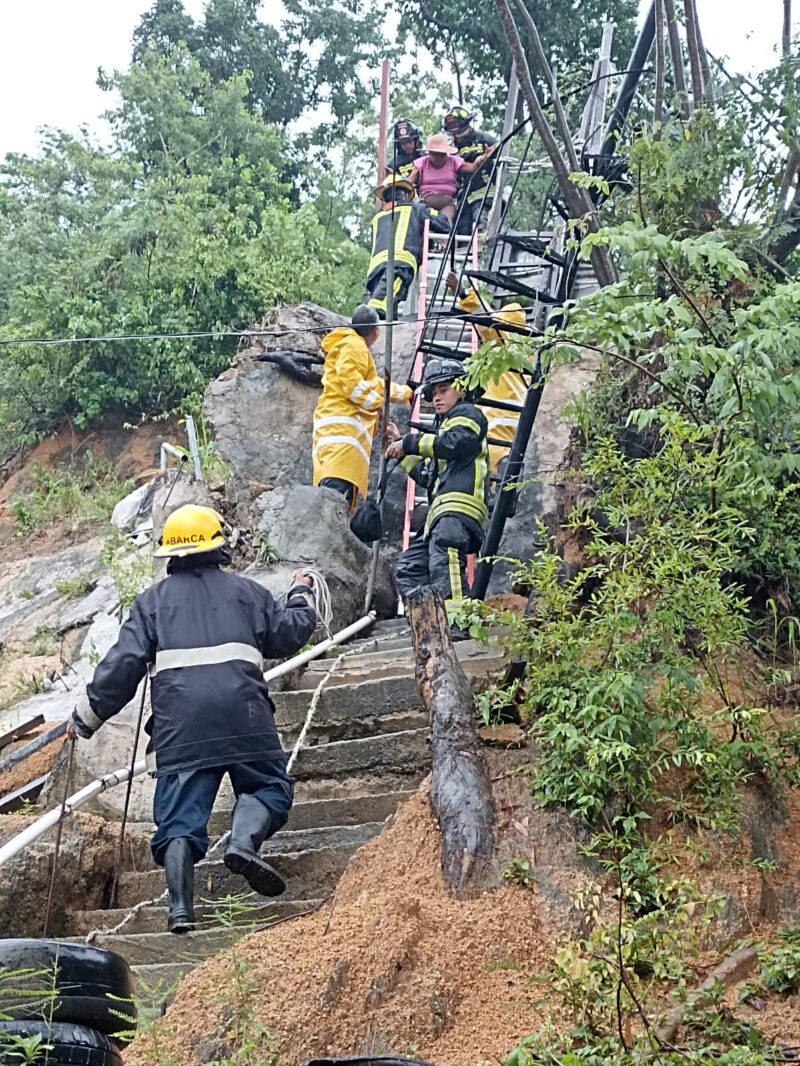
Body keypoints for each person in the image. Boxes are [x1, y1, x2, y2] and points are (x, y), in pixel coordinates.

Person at [66, 504, 318, 934]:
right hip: (247, 720)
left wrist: (85, 718)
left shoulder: (151, 604)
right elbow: (291, 633)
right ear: (219, 546)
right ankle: (242, 842)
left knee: (178, 820)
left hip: (181, 732)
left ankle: (181, 911)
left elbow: (123, 665)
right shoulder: (249, 593)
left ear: (172, 555)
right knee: (267, 787)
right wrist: (301, 592)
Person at [386, 357, 489, 616]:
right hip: (441, 515)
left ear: (461, 389)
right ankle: (427, 626)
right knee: (410, 567)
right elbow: (427, 475)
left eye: (444, 390)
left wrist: (409, 442)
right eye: (434, 394)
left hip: (458, 511)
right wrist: (403, 452)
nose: (437, 399)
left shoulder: (468, 414)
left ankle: (459, 624)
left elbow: (454, 444)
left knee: (447, 563)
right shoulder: (445, 429)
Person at [313, 305, 412, 510]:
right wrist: (378, 406)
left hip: (342, 447)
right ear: (376, 331)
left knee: (337, 506)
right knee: (333, 508)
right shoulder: (353, 346)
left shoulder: (351, 348)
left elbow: (374, 385)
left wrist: (407, 394)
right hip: (341, 443)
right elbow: (353, 385)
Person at [445, 272, 528, 474]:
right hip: (513, 422)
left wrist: (463, 293)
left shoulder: (503, 346)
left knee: (493, 469)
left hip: (498, 420)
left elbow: (487, 322)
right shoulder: (524, 352)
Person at [364, 174, 451, 318]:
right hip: (399, 263)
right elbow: (444, 224)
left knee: (389, 310)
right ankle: (362, 325)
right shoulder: (416, 209)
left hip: (375, 268)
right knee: (380, 306)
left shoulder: (377, 217)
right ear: (405, 194)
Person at [409, 133, 498, 222]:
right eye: (435, 154)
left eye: (442, 154)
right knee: (422, 224)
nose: (439, 157)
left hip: (447, 203)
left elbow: (472, 167)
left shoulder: (453, 161)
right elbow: (408, 183)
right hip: (426, 202)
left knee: (445, 223)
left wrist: (483, 157)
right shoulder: (422, 163)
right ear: (430, 153)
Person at [443, 105, 499, 233]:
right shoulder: (452, 149)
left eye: (455, 124)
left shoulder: (482, 139)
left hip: (485, 191)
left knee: (481, 220)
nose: (455, 133)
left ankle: (483, 249)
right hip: (465, 196)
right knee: (461, 228)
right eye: (450, 127)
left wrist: (489, 155)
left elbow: (501, 149)